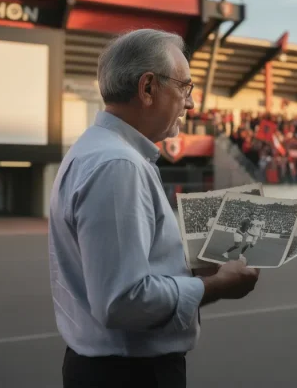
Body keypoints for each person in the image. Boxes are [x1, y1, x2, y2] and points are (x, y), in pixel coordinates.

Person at [48, 29, 260, 388]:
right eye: (185, 87)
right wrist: (216, 285)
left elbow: (125, 274)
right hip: (130, 375)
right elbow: (123, 301)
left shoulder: (99, 150)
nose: (190, 103)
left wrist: (189, 266)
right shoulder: (118, 164)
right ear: (148, 88)